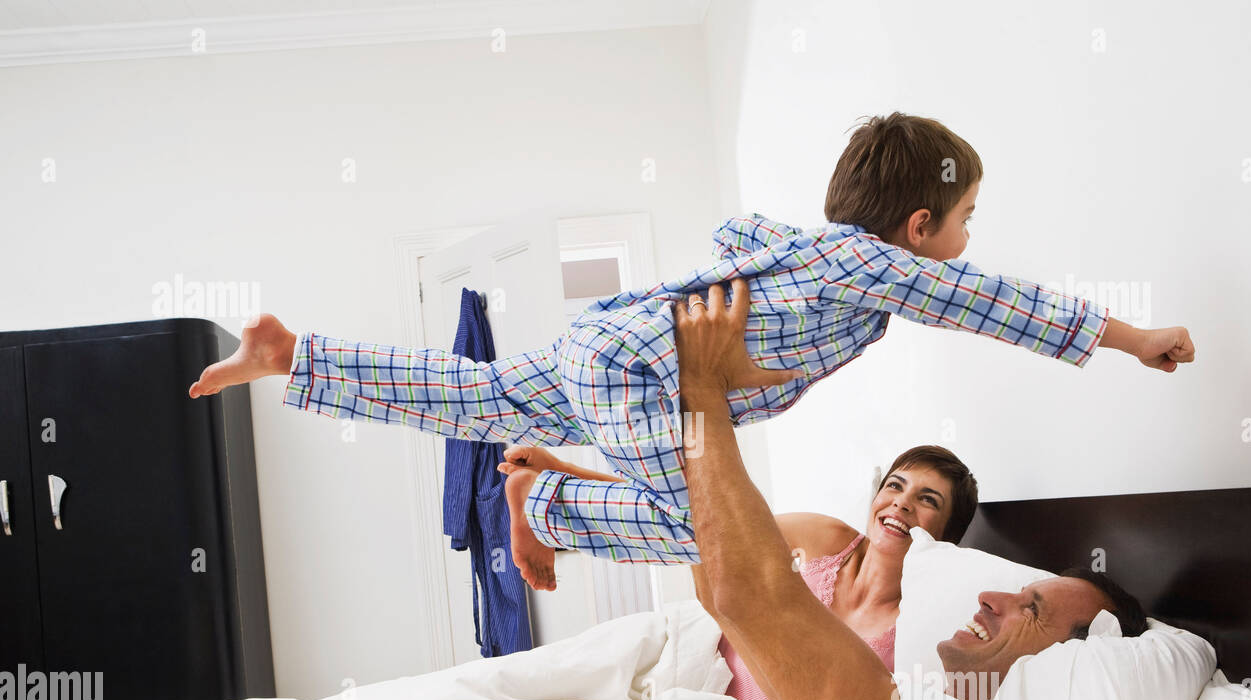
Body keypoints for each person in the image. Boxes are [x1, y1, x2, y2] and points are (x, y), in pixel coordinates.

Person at [188, 112, 1195, 592]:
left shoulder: (808, 247)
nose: (967, 241)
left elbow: (730, 229)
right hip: (642, 369)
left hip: (610, 339)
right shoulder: (872, 265)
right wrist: (1131, 335)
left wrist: (746, 336)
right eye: (966, 218)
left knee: (485, 396)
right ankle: (548, 501)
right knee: (725, 532)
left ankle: (301, 358)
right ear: (920, 225)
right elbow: (993, 303)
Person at [675, 277, 1150, 700]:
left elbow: (738, 587)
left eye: (1032, 607)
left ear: (1070, 662)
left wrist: (702, 392)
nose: (991, 596)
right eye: (894, 486)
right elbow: (718, 563)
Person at [499, 440, 978, 700]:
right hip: (688, 663)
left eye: (927, 500)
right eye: (895, 486)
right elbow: (703, 522)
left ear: (946, 537)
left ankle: (553, 499)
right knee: (705, 520)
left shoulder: (914, 625)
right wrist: (568, 468)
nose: (901, 502)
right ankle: (558, 490)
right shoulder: (828, 540)